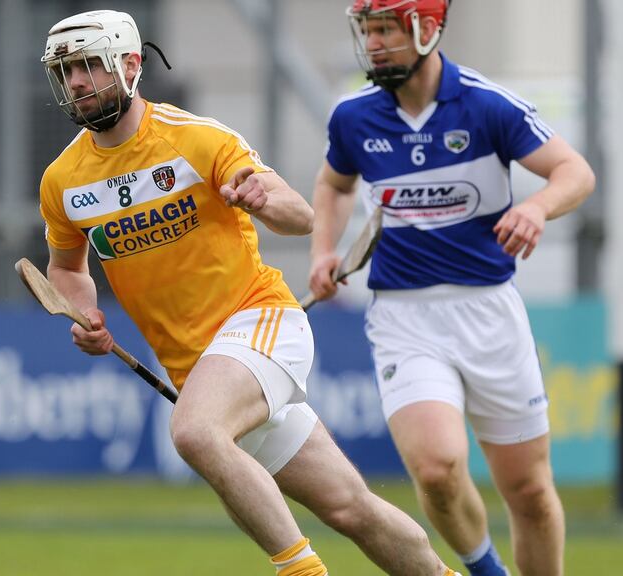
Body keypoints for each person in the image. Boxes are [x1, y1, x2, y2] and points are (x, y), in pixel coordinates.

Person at [37, 10, 461, 576]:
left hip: (260, 323)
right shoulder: (62, 180)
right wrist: (84, 310)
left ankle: (301, 571)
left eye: (90, 65)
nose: (78, 82)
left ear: (131, 65)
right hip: (201, 370)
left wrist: (262, 199)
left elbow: (302, 216)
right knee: (350, 507)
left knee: (193, 431)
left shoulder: (198, 139)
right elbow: (66, 268)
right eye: (66, 72)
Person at [307, 2, 595, 575]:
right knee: (437, 470)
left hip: (488, 312)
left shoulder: (487, 105)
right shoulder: (354, 117)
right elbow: (335, 185)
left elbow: (575, 173)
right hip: (403, 317)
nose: (375, 42)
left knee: (531, 492)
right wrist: (323, 250)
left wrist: (537, 207)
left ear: (428, 29)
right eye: (368, 30)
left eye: (387, 28)